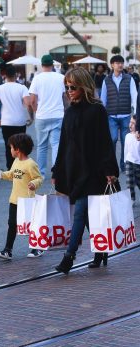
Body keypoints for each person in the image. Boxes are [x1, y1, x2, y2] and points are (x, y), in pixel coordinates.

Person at [52, 67, 120, 275]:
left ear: (83, 86)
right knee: (88, 214)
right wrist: (57, 170)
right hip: (74, 169)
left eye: (73, 87)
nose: (69, 91)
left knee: (80, 212)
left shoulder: (97, 110)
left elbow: (105, 141)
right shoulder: (69, 111)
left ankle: (69, 257)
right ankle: (101, 251)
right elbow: (63, 143)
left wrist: (109, 168)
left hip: (94, 170)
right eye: (67, 87)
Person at [0, 133, 43, 259]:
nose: (10, 150)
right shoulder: (16, 161)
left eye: (11, 148)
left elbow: (39, 178)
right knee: (12, 224)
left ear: (17, 149)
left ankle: (37, 247)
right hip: (14, 199)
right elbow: (11, 175)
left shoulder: (30, 164)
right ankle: (8, 250)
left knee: (31, 225)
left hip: (28, 201)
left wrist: (34, 183)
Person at [29, 54, 65, 179]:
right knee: (56, 144)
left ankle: (41, 173)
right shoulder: (61, 77)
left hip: (42, 115)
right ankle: (57, 172)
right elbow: (65, 96)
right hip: (58, 114)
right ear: (52, 64)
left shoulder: (37, 79)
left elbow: (32, 100)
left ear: (42, 64)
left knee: (42, 146)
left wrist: (36, 112)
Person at [0, 65, 34, 170]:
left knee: (8, 146)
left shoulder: (0, 88)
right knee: (21, 146)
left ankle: (10, 168)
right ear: (16, 75)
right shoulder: (22, 87)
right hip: (20, 122)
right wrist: (31, 117)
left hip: (6, 122)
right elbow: (28, 104)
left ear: (5, 76)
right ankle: (20, 167)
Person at [100, 55, 137, 172]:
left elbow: (134, 97)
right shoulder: (106, 80)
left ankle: (124, 165)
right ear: (112, 65)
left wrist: (135, 115)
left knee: (126, 141)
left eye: (121, 62)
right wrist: (101, 115)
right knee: (113, 139)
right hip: (111, 116)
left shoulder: (129, 78)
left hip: (126, 115)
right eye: (117, 63)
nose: (120, 65)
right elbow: (103, 99)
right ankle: (112, 165)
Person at [124, 115, 140, 206]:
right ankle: (132, 199)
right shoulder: (127, 136)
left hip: (138, 163)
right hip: (129, 161)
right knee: (129, 181)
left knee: (138, 181)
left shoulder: (138, 137)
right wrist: (125, 160)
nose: (130, 125)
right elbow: (126, 150)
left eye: (133, 123)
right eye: (130, 122)